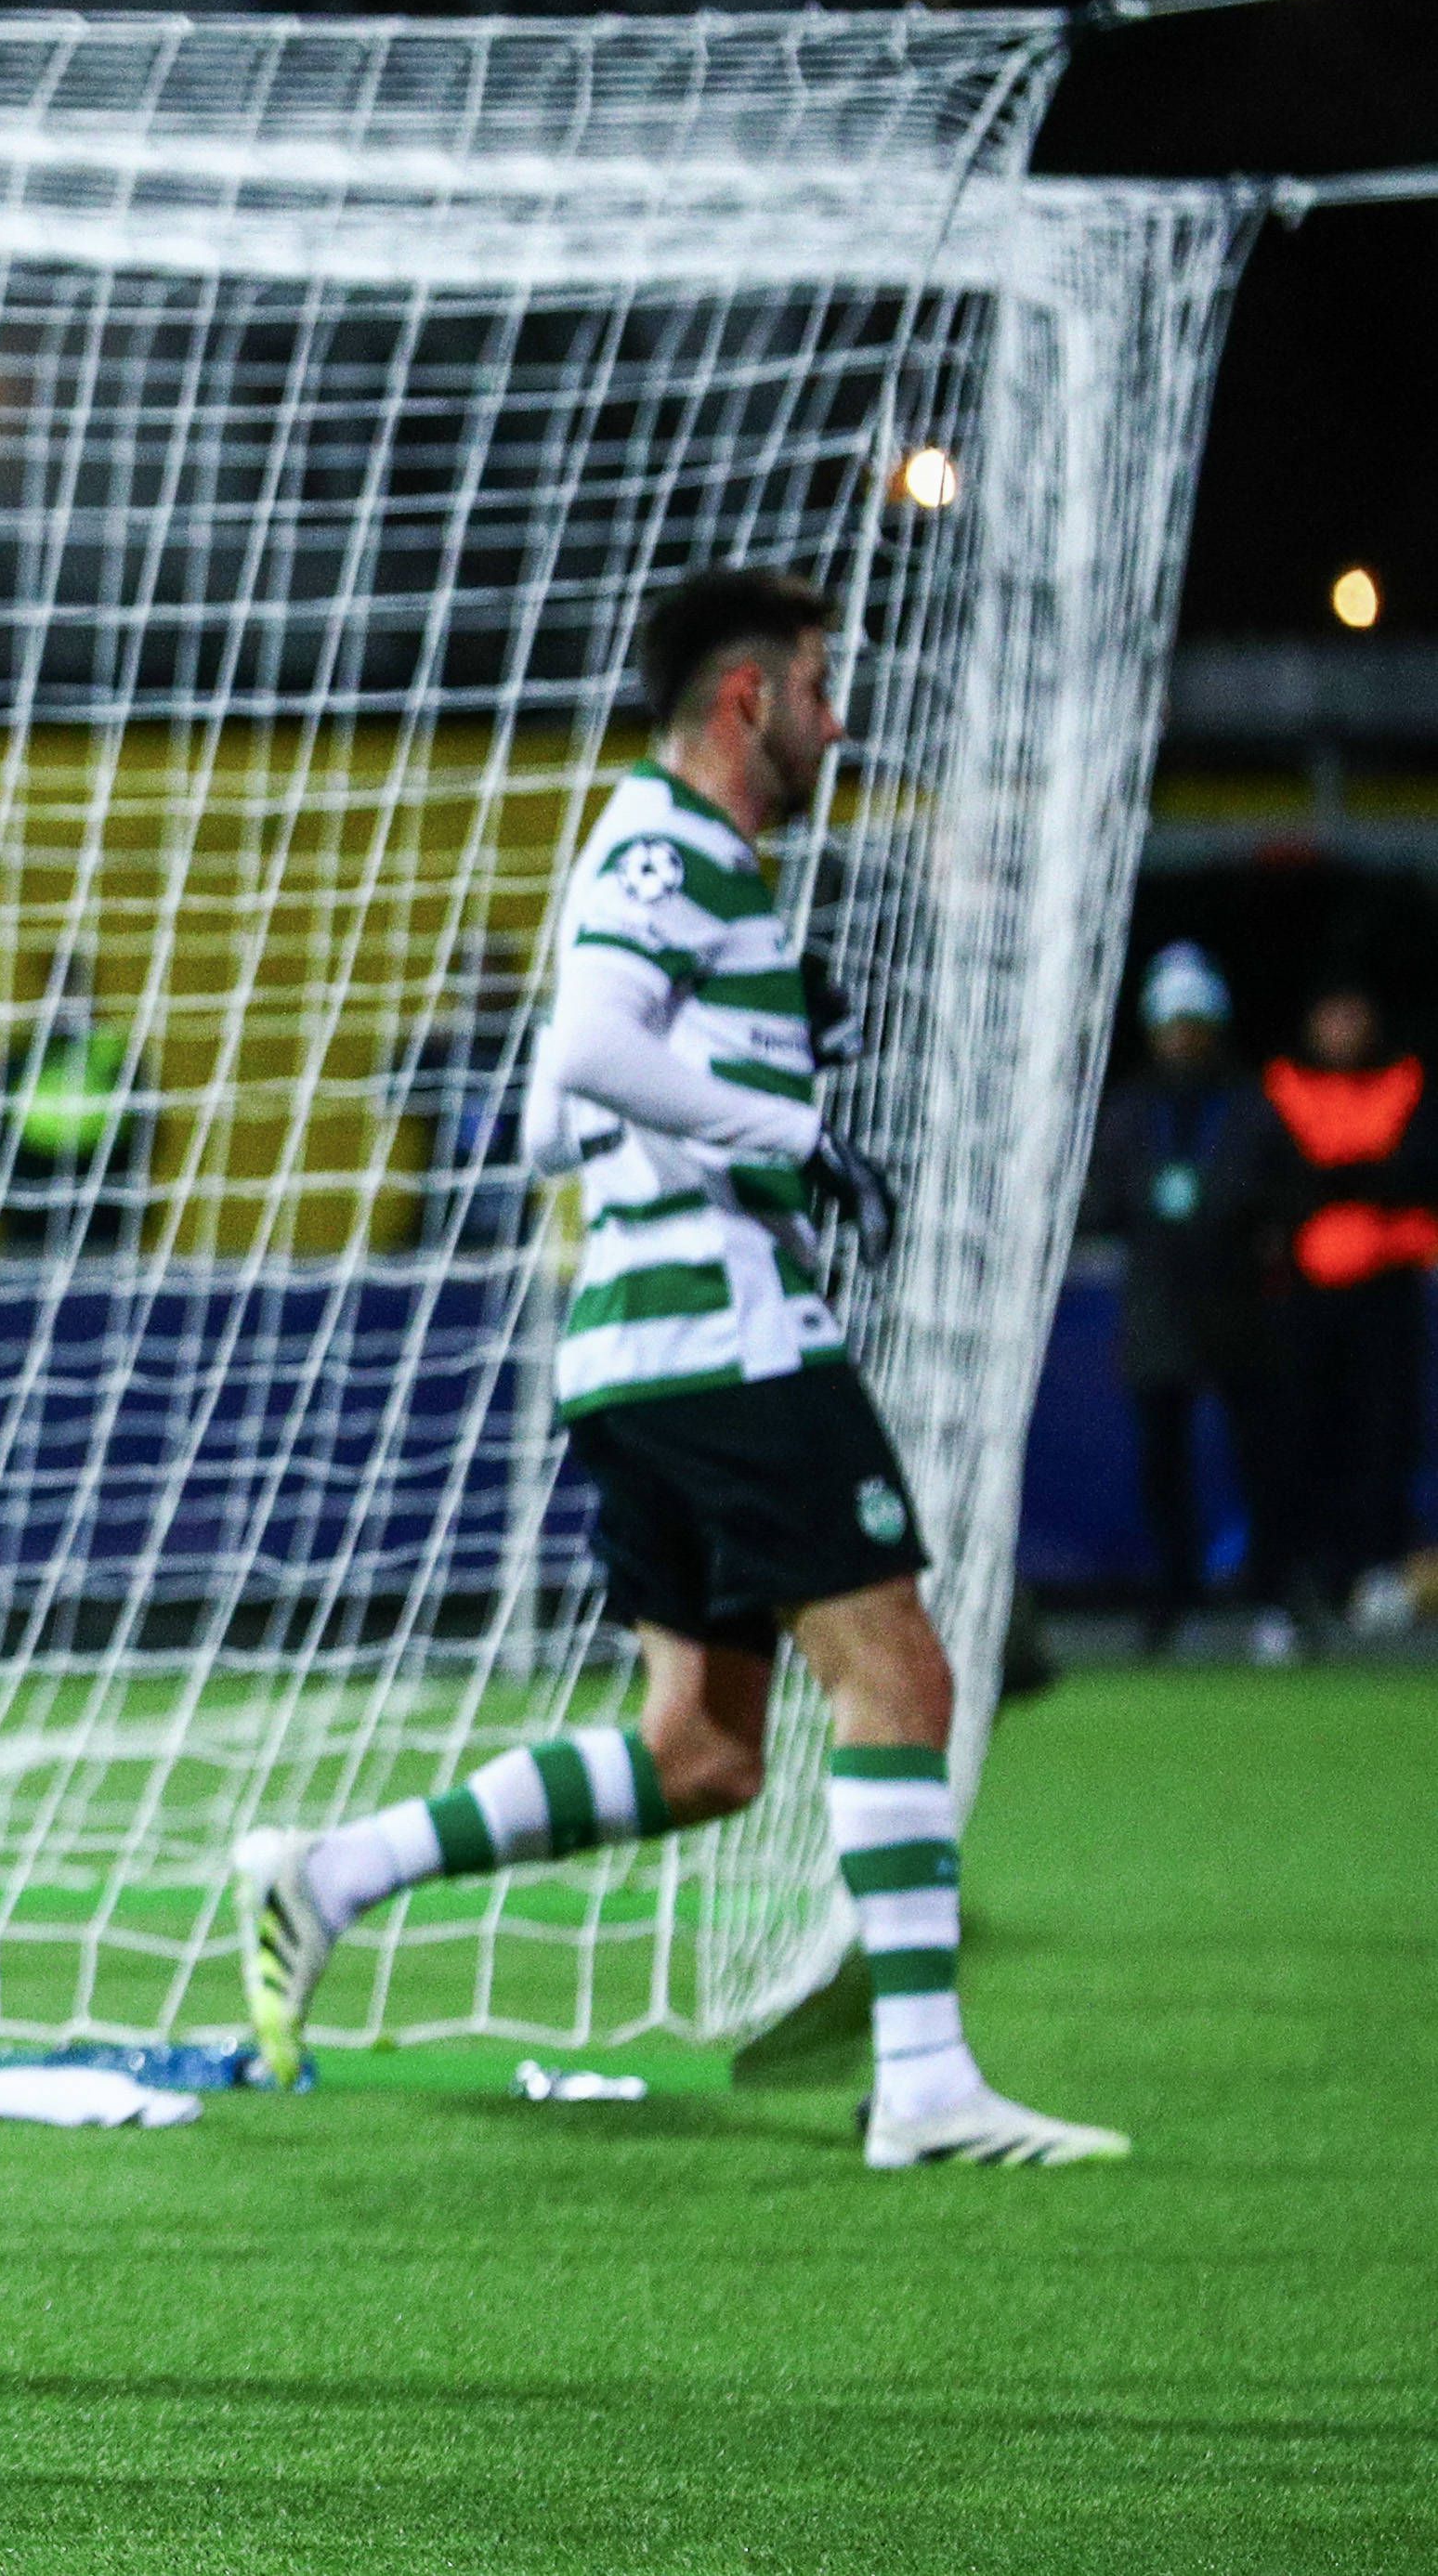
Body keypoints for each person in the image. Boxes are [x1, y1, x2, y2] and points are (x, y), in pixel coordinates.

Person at [234, 565, 1122, 2166]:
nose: (835, 723)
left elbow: (548, 1122)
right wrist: (787, 1127)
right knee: (898, 1674)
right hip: (721, 1333)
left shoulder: (689, 863)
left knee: (702, 1751)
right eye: (818, 687)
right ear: (747, 700)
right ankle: (923, 2086)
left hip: (641, 1343)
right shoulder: (665, 842)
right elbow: (579, 1054)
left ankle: (335, 1872)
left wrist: (745, 1062)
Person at [1214, 981, 1434, 1657]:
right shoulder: (1281, 1091)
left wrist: (1354, 1185)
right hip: (1302, 1302)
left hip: (1387, 1295)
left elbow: (1421, 1170)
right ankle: (1287, 1594)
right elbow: (1250, 1187)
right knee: (1294, 1446)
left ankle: (1374, 1582)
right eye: (1332, 1017)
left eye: (1354, 1016)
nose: (1342, 1030)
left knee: (1383, 1441)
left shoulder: (1406, 1085)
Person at [1076, 943, 1269, 1652]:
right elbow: (1100, 1199)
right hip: (1158, 1310)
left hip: (1237, 1305)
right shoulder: (1130, 1110)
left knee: (1258, 1455)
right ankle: (1171, 1598)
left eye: (1194, 1021)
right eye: (1172, 1022)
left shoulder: (1248, 1104)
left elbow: (1278, 1192)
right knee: (1162, 1463)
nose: (1183, 1035)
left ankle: (1269, 1594)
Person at [0, 952, 148, 1257]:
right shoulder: (25, 1053)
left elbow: (148, 1120)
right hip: (34, 1181)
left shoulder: (112, 1050)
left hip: (102, 1183)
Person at [391, 930, 535, 1257]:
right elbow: (390, 1092)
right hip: (443, 1223)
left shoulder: (530, 1047)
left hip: (515, 1223)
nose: (483, 984)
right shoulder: (445, 1051)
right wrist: (423, 1041)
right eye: (474, 973)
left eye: (492, 972)